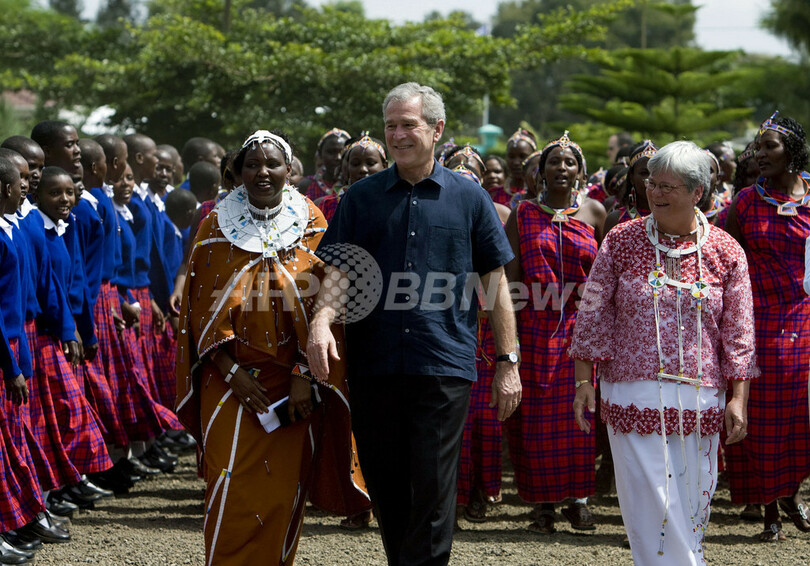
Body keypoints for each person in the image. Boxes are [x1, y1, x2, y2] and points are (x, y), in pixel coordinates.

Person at [306, 82, 520, 566]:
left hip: (443, 364)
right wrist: (321, 321)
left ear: (437, 129)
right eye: (391, 126)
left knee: (432, 485)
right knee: (386, 485)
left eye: (409, 125)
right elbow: (337, 273)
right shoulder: (360, 198)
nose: (399, 135)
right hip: (374, 363)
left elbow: (496, 284)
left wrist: (508, 362)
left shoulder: (469, 197)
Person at [175, 129, 368, 565]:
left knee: (281, 495)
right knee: (229, 486)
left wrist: (305, 375)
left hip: (292, 387)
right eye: (252, 164)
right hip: (226, 382)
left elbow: (327, 307)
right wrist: (232, 374)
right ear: (238, 171)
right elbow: (198, 317)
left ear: (289, 169)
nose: (262, 172)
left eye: (272, 164)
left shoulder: (313, 221)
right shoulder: (213, 225)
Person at [571, 141, 757, 564]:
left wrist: (739, 398)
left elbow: (739, 332)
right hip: (630, 394)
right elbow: (593, 314)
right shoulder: (622, 239)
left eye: (669, 185)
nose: (656, 192)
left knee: (692, 506)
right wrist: (585, 381)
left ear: (697, 193)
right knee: (649, 505)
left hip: (701, 397)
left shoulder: (725, 250)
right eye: (653, 182)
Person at [504, 131, 605, 534]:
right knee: (539, 419)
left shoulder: (596, 212)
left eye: (569, 162)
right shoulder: (524, 213)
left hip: (583, 328)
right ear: (541, 171)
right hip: (535, 327)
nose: (561, 168)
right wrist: (509, 338)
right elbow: (510, 278)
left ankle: (579, 500)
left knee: (582, 414)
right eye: (553, 162)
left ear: (580, 170)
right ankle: (542, 505)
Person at [724, 112, 810, 542]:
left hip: (805, 317)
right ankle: (770, 509)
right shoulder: (743, 202)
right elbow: (726, 260)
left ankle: (792, 492)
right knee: (762, 416)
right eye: (757, 147)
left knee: (800, 415)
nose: (760, 154)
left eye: (770, 146)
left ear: (793, 150)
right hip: (757, 322)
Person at [603, 140, 657, 234]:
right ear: (631, 177)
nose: (650, 179)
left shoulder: (676, 217)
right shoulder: (615, 220)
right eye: (644, 173)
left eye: (655, 172)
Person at [297, 127, 351, 201]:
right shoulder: (306, 186)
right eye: (331, 152)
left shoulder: (356, 184)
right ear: (320, 154)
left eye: (343, 152)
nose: (338, 157)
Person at [505, 128, 536, 201]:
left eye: (523, 156)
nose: (516, 162)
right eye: (511, 156)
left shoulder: (541, 195)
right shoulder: (493, 193)